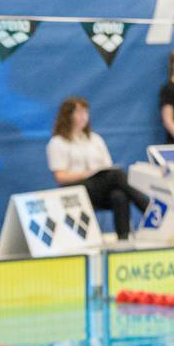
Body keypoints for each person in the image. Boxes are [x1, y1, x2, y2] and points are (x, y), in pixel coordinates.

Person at [46, 96, 149, 240]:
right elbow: (60, 177)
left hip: (99, 188)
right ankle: (146, 206)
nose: (83, 116)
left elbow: (107, 167)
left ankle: (123, 238)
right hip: (75, 189)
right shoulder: (57, 142)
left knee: (119, 194)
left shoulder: (95, 139)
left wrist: (99, 173)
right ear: (67, 115)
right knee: (116, 176)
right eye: (78, 112)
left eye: (85, 112)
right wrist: (86, 174)